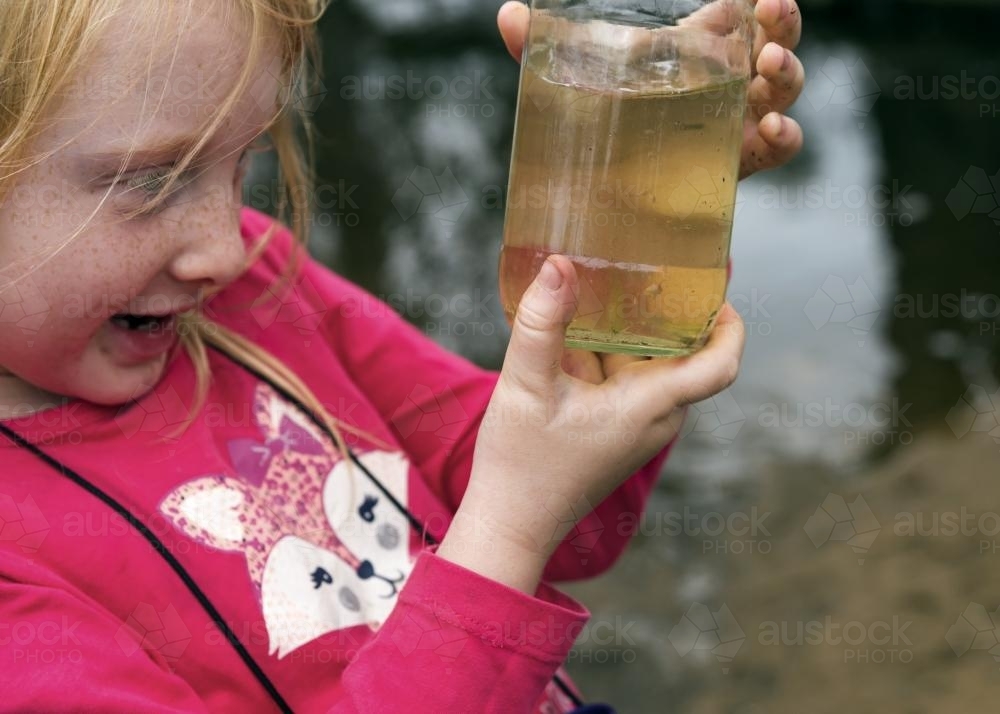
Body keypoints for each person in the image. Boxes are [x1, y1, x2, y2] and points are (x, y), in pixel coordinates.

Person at [0, 0, 804, 711]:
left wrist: (639, 207)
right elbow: (515, 521)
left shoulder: (257, 289)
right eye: (157, 178)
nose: (222, 244)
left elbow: (570, 528)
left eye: (241, 161)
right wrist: (507, 528)